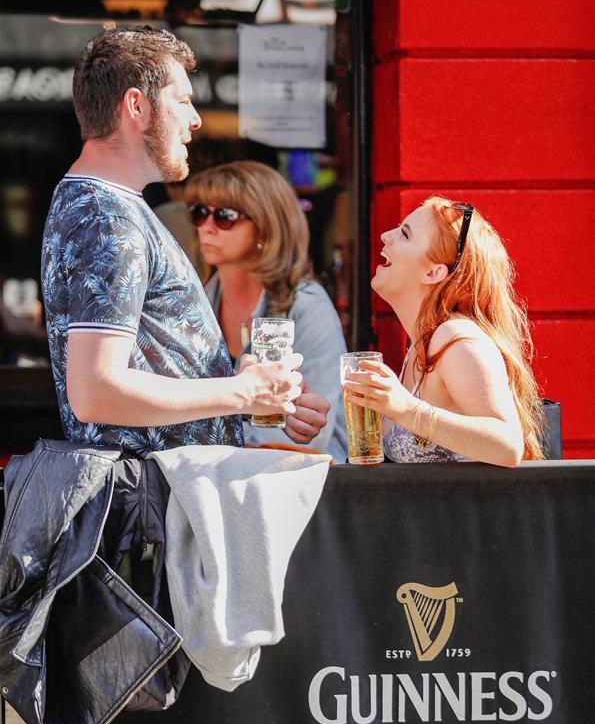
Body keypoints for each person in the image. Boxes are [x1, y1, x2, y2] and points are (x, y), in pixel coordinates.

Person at [40, 26, 328, 457]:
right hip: (151, 492)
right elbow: (96, 392)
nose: (196, 119)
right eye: (182, 100)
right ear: (137, 106)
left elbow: (139, 368)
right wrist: (242, 392)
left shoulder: (104, 204)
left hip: (158, 485)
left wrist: (250, 391)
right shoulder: (108, 216)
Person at [343, 197, 544, 466]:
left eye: (405, 234)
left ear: (433, 273)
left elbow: (507, 445)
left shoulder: (457, 339)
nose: (386, 236)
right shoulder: (421, 342)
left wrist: (407, 410)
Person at [185, 160, 348, 461]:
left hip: (307, 476)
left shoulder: (305, 303)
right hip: (219, 474)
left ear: (265, 227)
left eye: (224, 216)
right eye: (199, 212)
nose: (206, 226)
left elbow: (314, 432)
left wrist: (214, 435)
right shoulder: (195, 305)